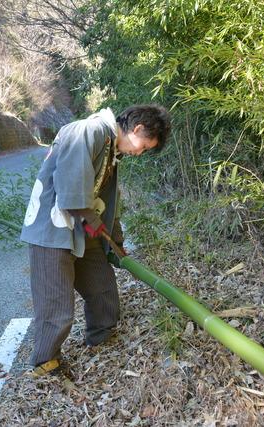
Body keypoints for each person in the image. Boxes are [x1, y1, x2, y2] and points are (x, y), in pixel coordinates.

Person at [20, 104, 171, 376]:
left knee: (102, 289)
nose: (139, 153)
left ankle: (102, 339)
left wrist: (116, 239)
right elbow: (70, 191)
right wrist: (95, 224)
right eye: (144, 146)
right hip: (52, 227)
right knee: (56, 305)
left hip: (81, 227)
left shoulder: (111, 150)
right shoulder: (88, 131)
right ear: (136, 129)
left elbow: (109, 203)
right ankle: (45, 362)